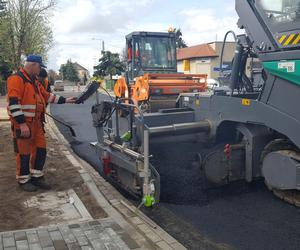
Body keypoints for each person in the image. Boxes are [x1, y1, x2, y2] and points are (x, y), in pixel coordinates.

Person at [6, 55, 76, 192]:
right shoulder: (16, 79)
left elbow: (47, 96)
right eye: (39, 67)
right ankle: (23, 180)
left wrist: (66, 100)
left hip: (36, 123)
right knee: (23, 153)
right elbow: (14, 103)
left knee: (40, 149)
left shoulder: (34, 82)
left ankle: (37, 176)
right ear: (32, 65)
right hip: (24, 124)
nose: (40, 70)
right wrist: (22, 124)